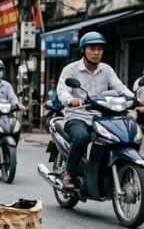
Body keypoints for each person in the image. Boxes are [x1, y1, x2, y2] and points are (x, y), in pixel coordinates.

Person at [57, 32, 142, 189]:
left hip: (102, 117)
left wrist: (136, 99)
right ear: (83, 50)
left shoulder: (107, 70)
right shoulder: (71, 69)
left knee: (120, 137)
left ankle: (103, 171)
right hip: (77, 116)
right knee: (82, 138)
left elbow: (120, 87)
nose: (96, 53)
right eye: (92, 48)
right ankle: (69, 173)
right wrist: (71, 100)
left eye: (100, 49)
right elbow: (62, 91)